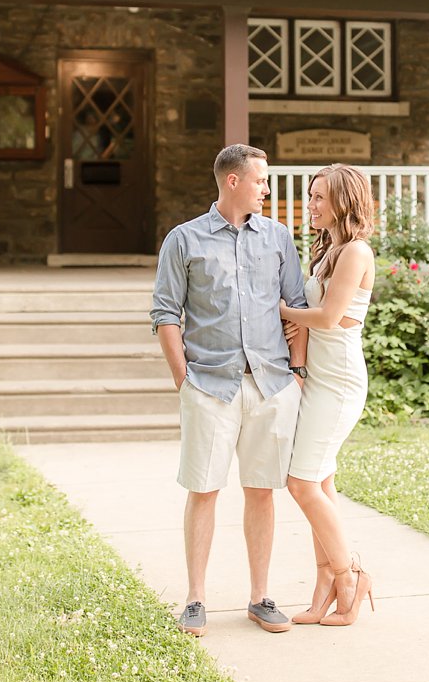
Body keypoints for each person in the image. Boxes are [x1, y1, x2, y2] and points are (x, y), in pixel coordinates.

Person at [150, 143, 310, 637]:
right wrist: (185, 382)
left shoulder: (279, 237)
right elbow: (164, 314)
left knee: (261, 492)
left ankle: (260, 597)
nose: (267, 188)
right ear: (233, 181)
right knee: (204, 490)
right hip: (210, 387)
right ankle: (195, 598)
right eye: (261, 180)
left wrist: (297, 372)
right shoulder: (184, 240)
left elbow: (297, 305)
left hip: (271, 385)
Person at [277, 163, 377, 627]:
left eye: (319, 197)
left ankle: (350, 576)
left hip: (337, 383)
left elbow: (332, 317)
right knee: (321, 485)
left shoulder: (355, 251)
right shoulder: (329, 250)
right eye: (311, 196)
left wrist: (283, 309)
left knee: (301, 483)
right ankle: (324, 588)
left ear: (343, 201)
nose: (311, 205)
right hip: (319, 378)